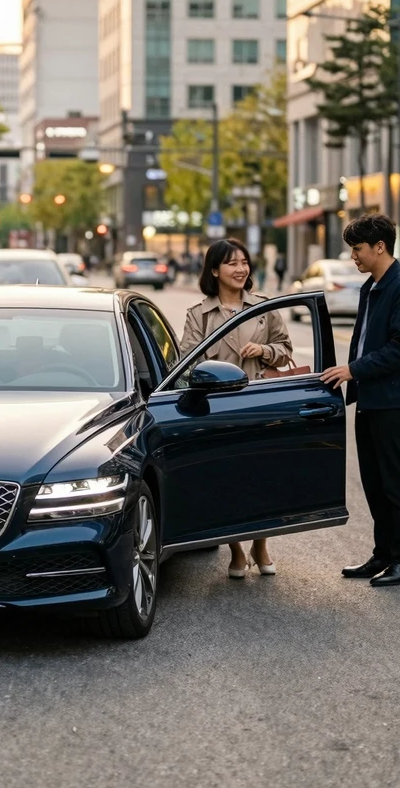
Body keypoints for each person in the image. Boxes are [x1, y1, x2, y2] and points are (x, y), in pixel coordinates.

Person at [321, 214, 400, 588]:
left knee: (396, 482)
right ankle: (383, 555)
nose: (354, 256)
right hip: (372, 397)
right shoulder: (373, 287)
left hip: (396, 401)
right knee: (374, 480)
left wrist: (353, 370)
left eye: (358, 248)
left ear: (379, 247)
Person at [180, 238, 294, 580]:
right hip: (219, 408)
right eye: (231, 263)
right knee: (226, 479)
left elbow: (285, 349)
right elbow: (186, 364)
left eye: (244, 262)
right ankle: (235, 547)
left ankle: (261, 543)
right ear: (214, 270)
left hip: (259, 403)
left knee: (261, 477)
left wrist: (263, 350)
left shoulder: (263, 307)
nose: (240, 269)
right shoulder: (198, 315)